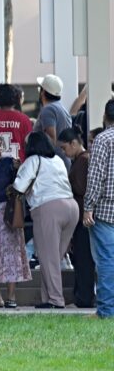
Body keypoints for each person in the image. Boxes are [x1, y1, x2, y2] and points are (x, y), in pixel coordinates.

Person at [14, 131, 78, 308]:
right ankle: (47, 298)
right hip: (71, 207)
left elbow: (19, 186)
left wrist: (19, 169)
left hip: (48, 208)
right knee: (53, 259)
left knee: (48, 258)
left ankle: (55, 300)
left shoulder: (32, 160)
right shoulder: (58, 160)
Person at [0, 133, 31, 308]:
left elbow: (19, 185)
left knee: (12, 252)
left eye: (0, 145)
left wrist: (17, 169)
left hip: (8, 213)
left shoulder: (8, 163)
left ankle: (11, 295)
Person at [83, 99, 114, 318]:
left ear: (105, 116)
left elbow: (95, 177)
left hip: (105, 210)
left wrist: (88, 207)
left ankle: (107, 310)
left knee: (107, 260)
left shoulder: (103, 139)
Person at [58, 127, 95, 308]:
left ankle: (84, 297)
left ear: (74, 143)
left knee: (83, 259)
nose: (64, 152)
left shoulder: (82, 161)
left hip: (83, 218)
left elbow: (82, 188)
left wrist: (66, 186)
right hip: (80, 217)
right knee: (82, 259)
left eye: (64, 148)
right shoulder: (82, 160)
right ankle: (82, 296)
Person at [34, 74, 72, 169]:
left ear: (43, 92)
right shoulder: (61, 108)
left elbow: (51, 139)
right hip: (62, 162)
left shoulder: (48, 109)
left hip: (53, 165)